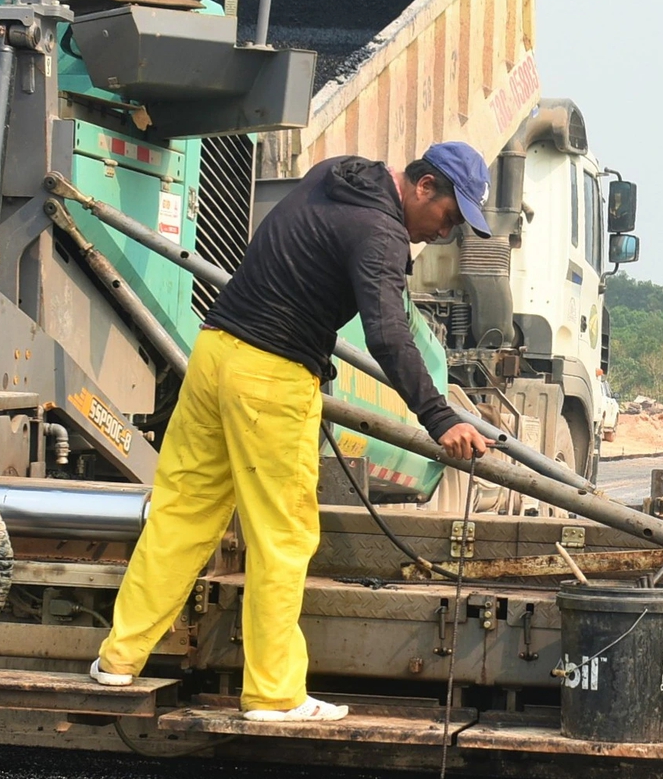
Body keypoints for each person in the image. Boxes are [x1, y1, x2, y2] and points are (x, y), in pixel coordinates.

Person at [88, 144, 496, 721]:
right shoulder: (382, 233)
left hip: (213, 353)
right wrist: (442, 417)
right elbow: (386, 332)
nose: (444, 234)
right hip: (272, 376)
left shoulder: (338, 173)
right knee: (283, 535)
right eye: (450, 219)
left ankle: (119, 659)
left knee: (182, 512)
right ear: (425, 186)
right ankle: (274, 694)